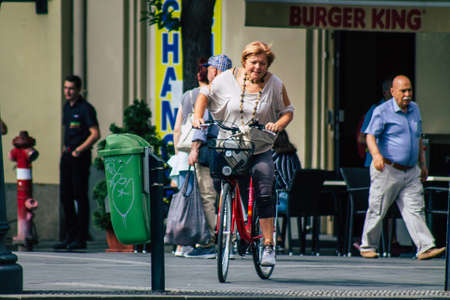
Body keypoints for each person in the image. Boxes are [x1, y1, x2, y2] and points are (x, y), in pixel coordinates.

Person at [193, 41, 294, 266]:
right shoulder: (225, 79)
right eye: (253, 62)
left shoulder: (275, 84)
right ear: (244, 62)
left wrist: (278, 124)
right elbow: (204, 96)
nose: (258, 67)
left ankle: (268, 244)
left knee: (264, 189)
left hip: (259, 148)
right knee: (223, 183)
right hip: (230, 145)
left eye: (263, 63)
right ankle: (231, 225)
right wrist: (197, 117)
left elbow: (288, 111)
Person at [359, 75, 445, 260]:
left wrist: (423, 164)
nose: (407, 95)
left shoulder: (415, 109)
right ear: (392, 92)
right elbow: (370, 136)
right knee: (377, 208)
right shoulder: (382, 111)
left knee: (415, 209)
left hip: (411, 170)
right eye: (403, 91)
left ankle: (425, 247)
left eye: (410, 90)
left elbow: (418, 137)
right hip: (388, 169)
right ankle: (367, 246)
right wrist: (376, 156)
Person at [184, 54, 232, 258]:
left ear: (216, 71)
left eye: (210, 69)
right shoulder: (235, 92)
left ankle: (211, 242)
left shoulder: (208, 91)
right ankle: (232, 239)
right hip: (232, 151)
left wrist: (194, 149)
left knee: (208, 196)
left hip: (209, 152)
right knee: (229, 194)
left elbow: (200, 125)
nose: (208, 72)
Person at [54, 75, 100, 250]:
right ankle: (69, 235)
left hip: (79, 157)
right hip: (67, 156)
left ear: (78, 90)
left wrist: (79, 150)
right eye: (65, 88)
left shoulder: (85, 109)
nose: (67, 91)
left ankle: (80, 238)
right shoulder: (67, 108)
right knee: (66, 197)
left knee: (79, 196)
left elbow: (95, 133)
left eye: (71, 88)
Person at [272, 130, 301, 250]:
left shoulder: (276, 157)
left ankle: (276, 238)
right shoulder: (293, 155)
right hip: (301, 201)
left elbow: (285, 183)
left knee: (264, 203)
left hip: (286, 199)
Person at [357, 78, 393, 167]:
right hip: (375, 164)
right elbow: (361, 138)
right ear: (385, 92)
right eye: (393, 90)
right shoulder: (375, 109)